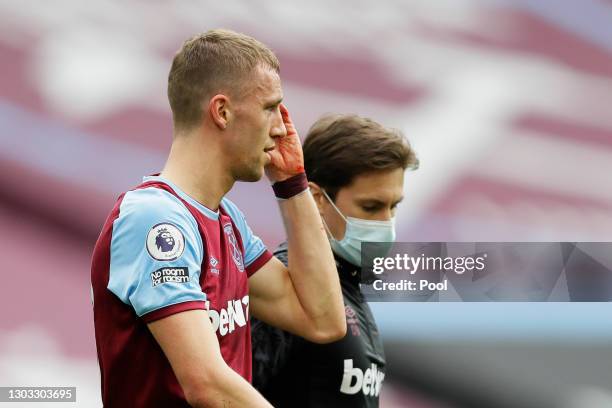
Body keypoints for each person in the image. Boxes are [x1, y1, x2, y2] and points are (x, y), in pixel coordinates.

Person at [90, 29, 346, 408]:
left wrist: (293, 183)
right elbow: (206, 384)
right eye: (269, 107)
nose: (280, 128)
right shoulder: (154, 221)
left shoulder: (226, 220)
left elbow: (323, 319)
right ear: (222, 111)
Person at [251, 114, 419, 407]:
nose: (386, 223)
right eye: (371, 207)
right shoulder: (287, 282)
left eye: (393, 207)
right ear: (317, 198)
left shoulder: (352, 292)